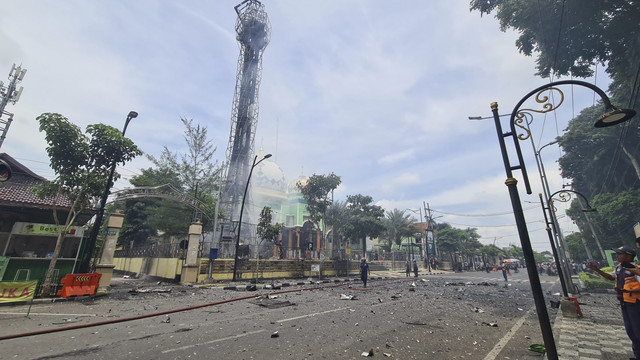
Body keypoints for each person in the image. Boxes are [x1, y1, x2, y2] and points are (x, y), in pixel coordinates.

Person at [589, 246, 640, 359]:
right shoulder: (619, 268)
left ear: (628, 256)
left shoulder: (636, 269)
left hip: (635, 303)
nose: (617, 256)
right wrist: (597, 270)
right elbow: (611, 277)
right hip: (624, 302)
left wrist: (628, 290)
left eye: (619, 254)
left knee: (638, 331)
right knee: (630, 330)